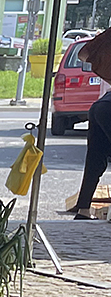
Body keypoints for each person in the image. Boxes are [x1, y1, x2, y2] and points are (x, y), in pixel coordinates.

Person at [66, 31, 111, 218]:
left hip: (100, 106)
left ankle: (83, 209)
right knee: (96, 159)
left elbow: (85, 53)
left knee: (95, 159)